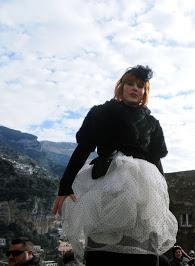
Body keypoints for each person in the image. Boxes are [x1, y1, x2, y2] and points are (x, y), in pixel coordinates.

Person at [52, 65, 177, 265]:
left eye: (140, 85)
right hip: (107, 181)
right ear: (121, 86)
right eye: (130, 84)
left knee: (141, 244)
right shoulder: (102, 113)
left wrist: (162, 198)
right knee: (103, 240)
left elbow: (156, 161)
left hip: (142, 186)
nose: (135, 89)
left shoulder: (151, 123)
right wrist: (64, 185)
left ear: (145, 91)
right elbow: (83, 148)